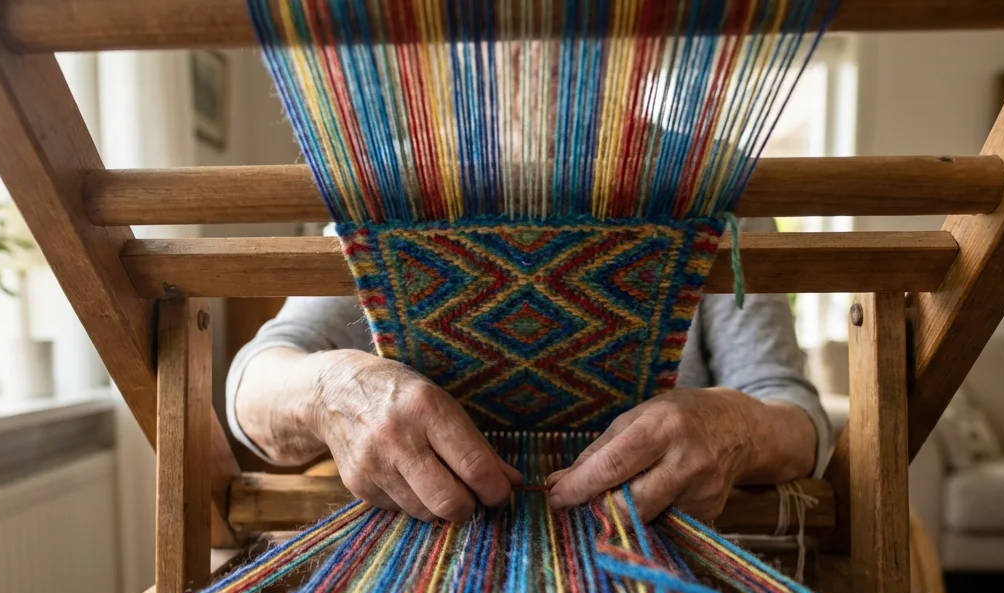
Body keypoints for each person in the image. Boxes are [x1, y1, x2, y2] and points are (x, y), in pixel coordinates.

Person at [226, 217, 830, 525]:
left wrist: (732, 426)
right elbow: (256, 382)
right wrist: (332, 389)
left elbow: (795, 415)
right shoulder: (389, 193)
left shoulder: (715, 199)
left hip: (657, 573)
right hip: (425, 569)